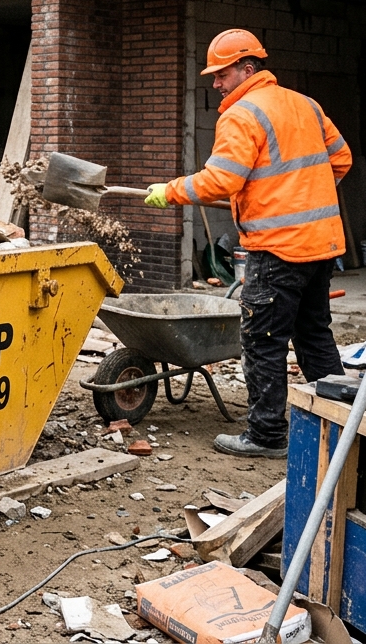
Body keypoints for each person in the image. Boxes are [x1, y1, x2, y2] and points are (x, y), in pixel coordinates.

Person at [145, 29, 353, 458]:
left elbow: (221, 180)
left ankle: (265, 435)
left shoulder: (242, 114)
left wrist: (171, 191)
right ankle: (343, 427)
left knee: (263, 340)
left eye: (222, 74)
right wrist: (301, 193)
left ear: (248, 68)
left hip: (277, 247)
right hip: (321, 244)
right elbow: (342, 159)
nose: (216, 83)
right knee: (314, 335)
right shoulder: (306, 105)